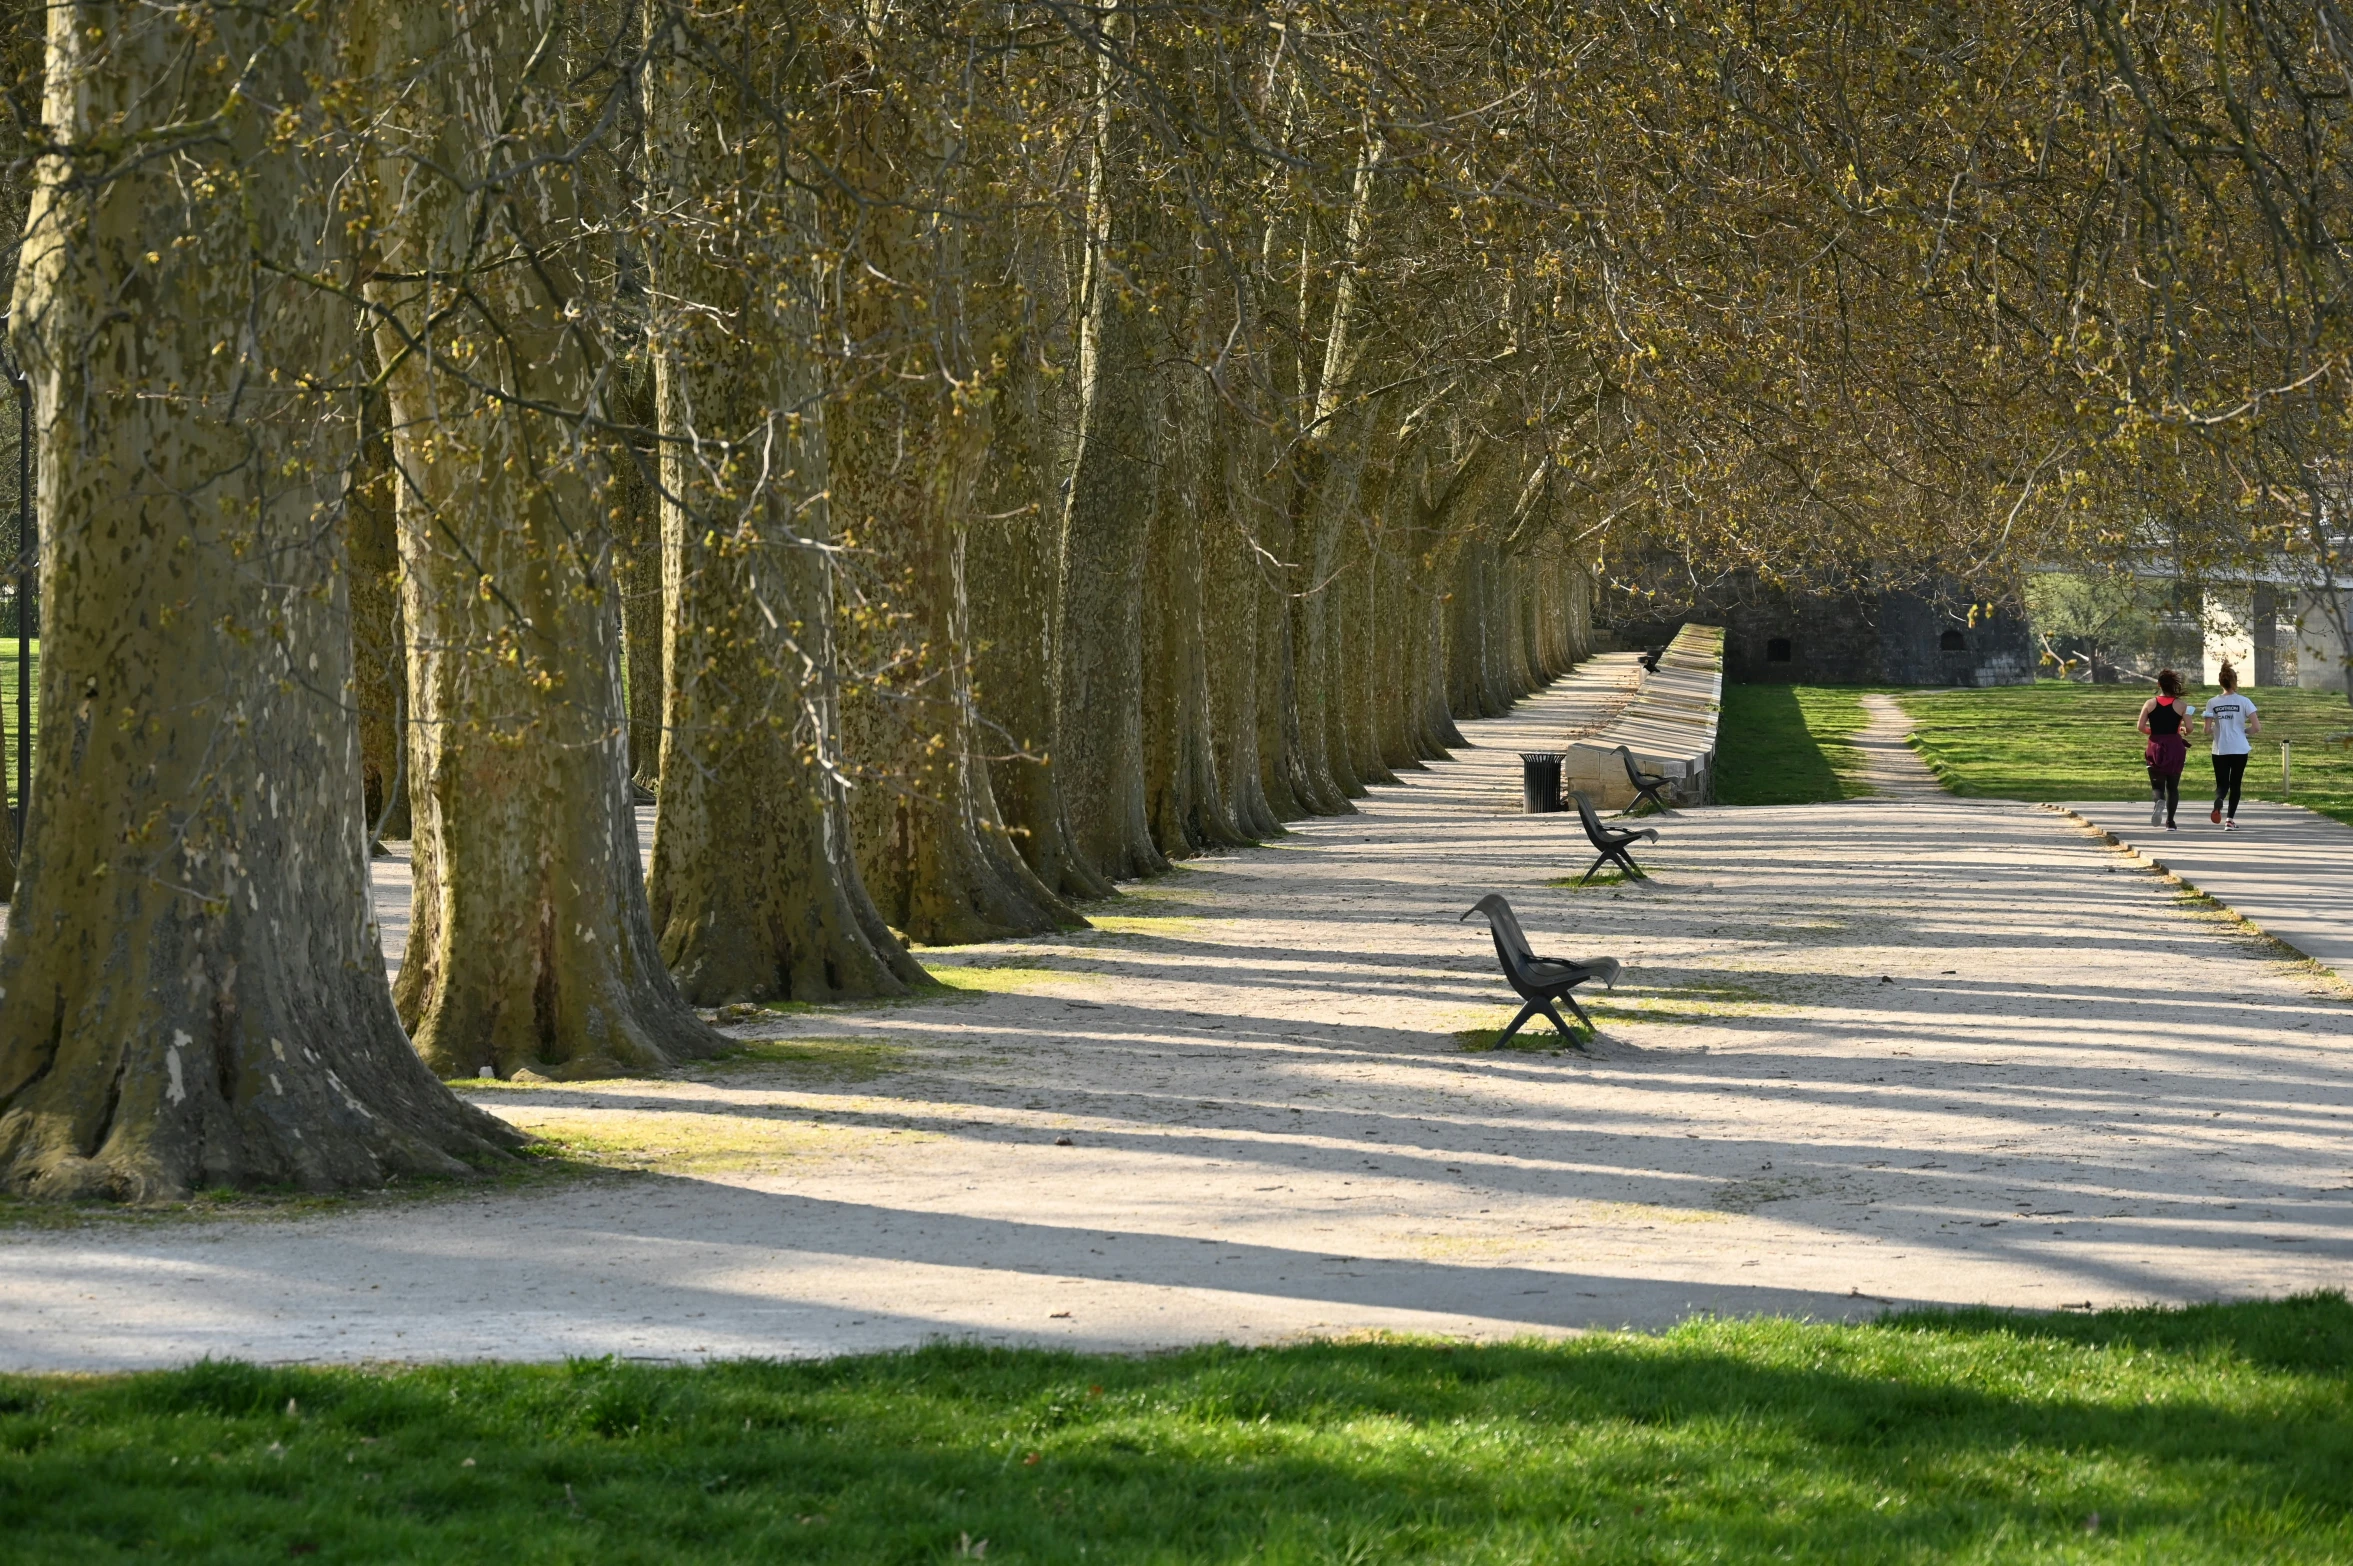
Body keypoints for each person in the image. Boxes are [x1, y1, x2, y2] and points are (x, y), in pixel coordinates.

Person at [2203, 662, 2260, 830]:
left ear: (2220, 682)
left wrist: (2215, 728)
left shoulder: (2212, 702)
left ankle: (2219, 801)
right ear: (2235, 682)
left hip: (2220, 749)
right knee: (2235, 784)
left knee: (2222, 784)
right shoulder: (2244, 701)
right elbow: (2257, 727)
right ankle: (2229, 820)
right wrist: (2244, 731)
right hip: (2240, 748)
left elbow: (2206, 730)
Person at [2138, 670, 2192, 830]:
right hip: (2175, 747)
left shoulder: (2149, 703)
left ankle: (2159, 801)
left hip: (2155, 746)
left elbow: (2140, 727)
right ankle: (2171, 822)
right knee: (2173, 787)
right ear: (2174, 685)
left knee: (2157, 786)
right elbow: (2190, 728)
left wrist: (2153, 732)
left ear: (2159, 684)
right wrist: (2182, 730)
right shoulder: (2182, 705)